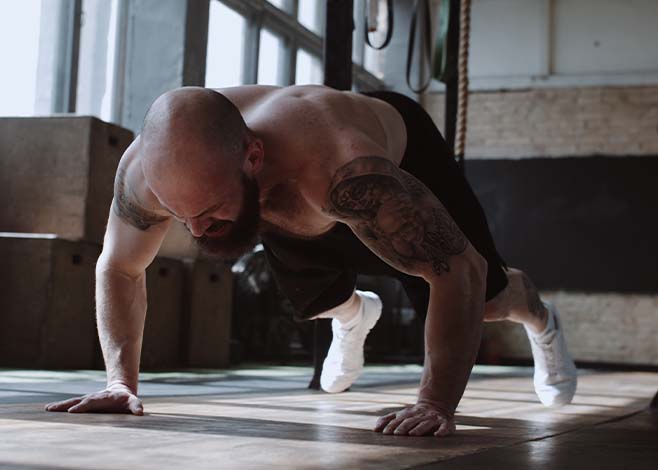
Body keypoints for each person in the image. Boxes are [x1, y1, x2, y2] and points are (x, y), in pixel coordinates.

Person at [45, 85, 577, 437]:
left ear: (253, 159)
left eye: (208, 212)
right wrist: (122, 382)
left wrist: (435, 403)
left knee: (480, 300)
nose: (198, 231)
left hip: (398, 149)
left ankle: (540, 317)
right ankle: (353, 313)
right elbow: (118, 268)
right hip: (277, 193)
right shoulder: (145, 172)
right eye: (181, 217)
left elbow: (460, 271)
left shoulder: (345, 170)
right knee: (313, 297)